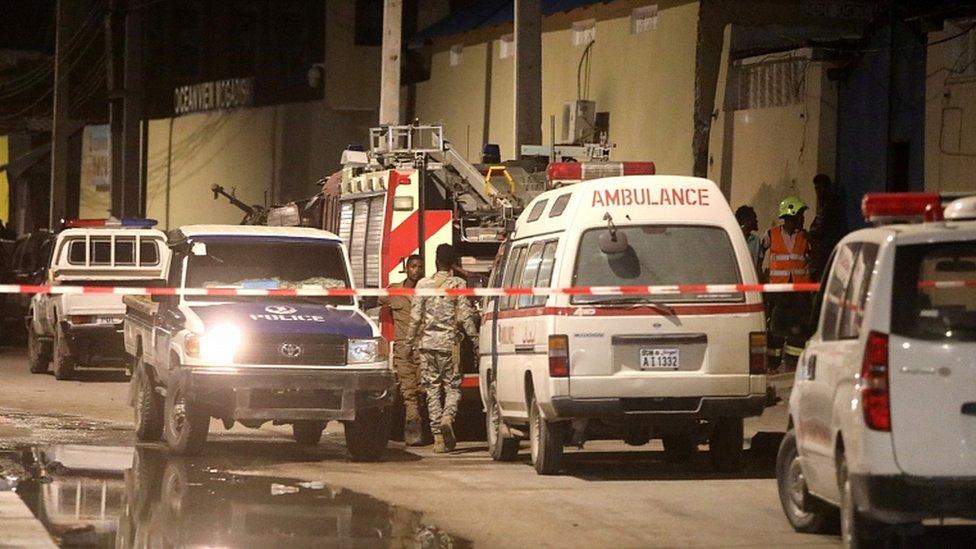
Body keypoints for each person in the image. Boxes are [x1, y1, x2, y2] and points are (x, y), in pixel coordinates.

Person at [405, 244, 479, 453]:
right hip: (450, 346)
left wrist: (408, 344)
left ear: (436, 261)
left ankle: (438, 437)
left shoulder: (423, 285)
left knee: (432, 390)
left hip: (427, 345)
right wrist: (475, 340)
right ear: (453, 264)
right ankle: (448, 417)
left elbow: (416, 318)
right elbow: (465, 316)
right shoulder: (458, 284)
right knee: (453, 387)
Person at [378, 254, 428, 446]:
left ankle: (427, 430)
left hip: (423, 348)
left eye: (420, 267)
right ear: (406, 268)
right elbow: (376, 301)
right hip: (403, 350)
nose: (417, 270)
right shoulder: (394, 291)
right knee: (408, 392)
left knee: (424, 390)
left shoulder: (427, 291)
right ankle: (412, 430)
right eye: (413, 266)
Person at [762, 196, 812, 372]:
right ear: (791, 215)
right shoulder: (771, 234)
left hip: (800, 293)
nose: (803, 218)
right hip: (778, 292)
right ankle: (772, 364)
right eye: (800, 215)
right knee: (775, 329)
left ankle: (794, 365)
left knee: (798, 331)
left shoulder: (805, 236)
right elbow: (760, 255)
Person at [807, 174, 845, 282]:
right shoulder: (825, 208)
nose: (818, 192)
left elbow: (819, 230)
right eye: (816, 189)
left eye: (820, 188)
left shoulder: (830, 208)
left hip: (825, 258)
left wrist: (808, 236)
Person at [735, 205, 763, 277]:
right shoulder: (735, 239)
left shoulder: (756, 240)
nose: (756, 221)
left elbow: (758, 266)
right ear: (747, 221)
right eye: (754, 218)